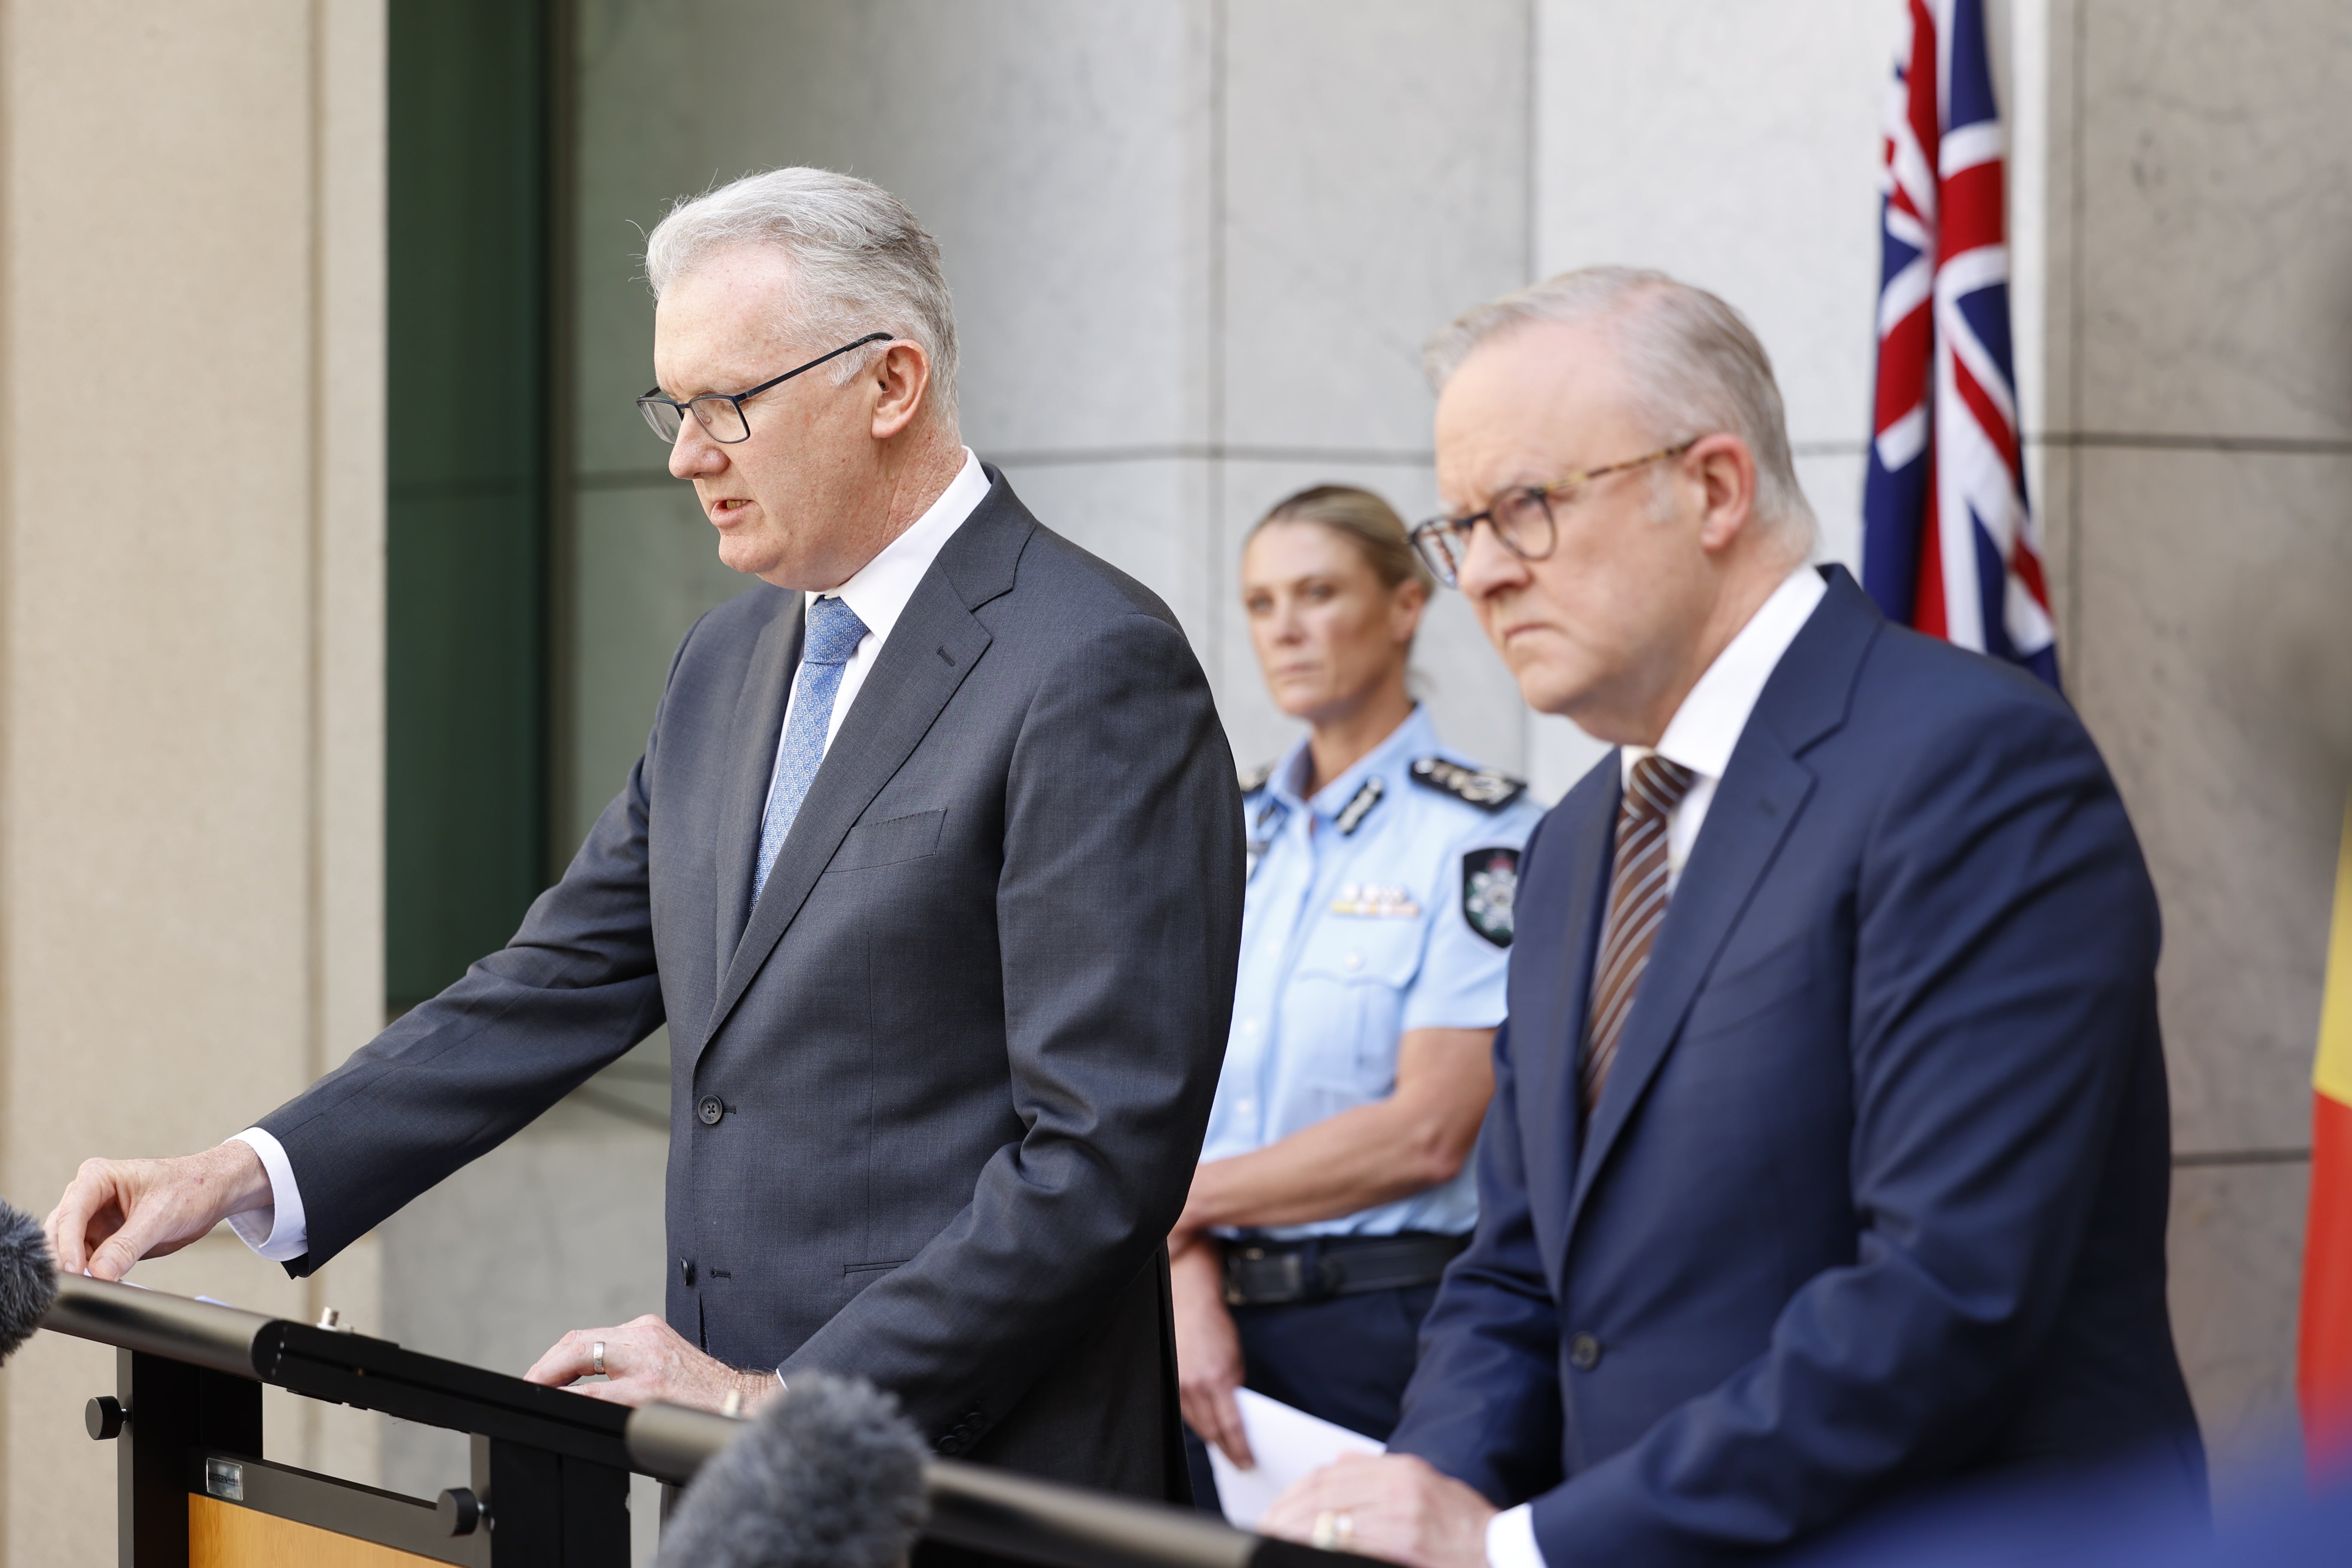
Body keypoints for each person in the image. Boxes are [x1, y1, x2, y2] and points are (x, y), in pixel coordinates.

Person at [42, 167, 1243, 1500]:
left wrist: (779, 1400)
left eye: (728, 403)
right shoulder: (728, 663)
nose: (684, 454)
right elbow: (554, 984)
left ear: (890, 385)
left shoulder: (1092, 667)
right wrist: (237, 1174)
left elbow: (1100, 1157)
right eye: (673, 405)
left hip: (974, 1489)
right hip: (730, 1474)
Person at [1259, 267, 2202, 1565]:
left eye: (1521, 510)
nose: (1480, 576)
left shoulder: (1972, 768)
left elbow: (1944, 1296)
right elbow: (1520, 1271)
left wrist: (1529, 1549)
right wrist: (1426, 1486)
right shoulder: (1579, 833)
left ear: (1712, 485)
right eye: (1458, 528)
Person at [1172, 487, 1542, 1511]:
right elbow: (1161, 1089)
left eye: (1318, 592)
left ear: (1405, 607)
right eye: (1259, 603)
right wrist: (1182, 1270)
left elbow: (1426, 1133)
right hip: (1199, 1316)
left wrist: (1169, 1212)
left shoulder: (1479, 839)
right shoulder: (1222, 831)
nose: (1284, 628)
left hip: (1384, 1330)